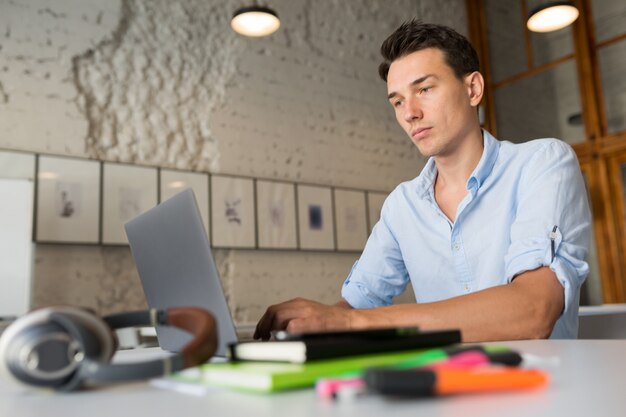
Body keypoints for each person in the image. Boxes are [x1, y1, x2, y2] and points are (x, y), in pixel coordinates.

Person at [254, 20, 591, 342]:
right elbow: (356, 306)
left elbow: (533, 310)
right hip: (440, 394)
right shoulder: (402, 205)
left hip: (543, 395)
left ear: (472, 88)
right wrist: (306, 328)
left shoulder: (543, 163)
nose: (408, 113)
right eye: (397, 101)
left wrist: (350, 322)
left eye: (424, 89)